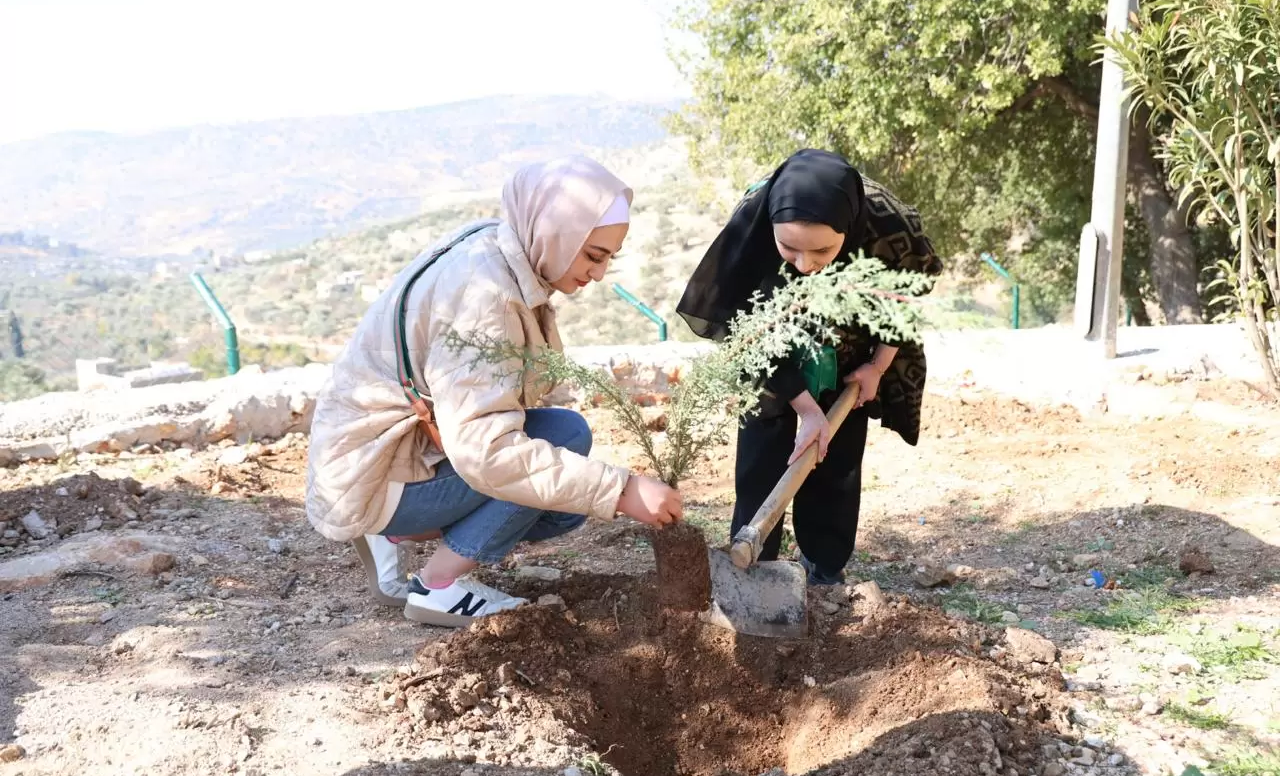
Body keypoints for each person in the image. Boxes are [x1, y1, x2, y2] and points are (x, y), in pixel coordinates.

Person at [306, 154, 684, 626]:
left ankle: (393, 531)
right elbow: (487, 453)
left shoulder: (500, 247)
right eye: (593, 255)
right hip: (374, 471)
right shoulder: (486, 297)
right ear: (553, 232)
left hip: (375, 460)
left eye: (609, 257)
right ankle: (437, 587)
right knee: (562, 444)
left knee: (563, 496)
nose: (600, 273)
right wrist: (621, 489)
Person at [676, 148, 942, 585]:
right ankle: (755, 566)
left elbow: (903, 296)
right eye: (789, 248)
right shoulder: (753, 222)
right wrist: (803, 406)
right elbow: (742, 325)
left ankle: (824, 565)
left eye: (821, 250)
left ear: (848, 228)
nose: (804, 265)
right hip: (769, 342)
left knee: (837, 454)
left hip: (851, 341)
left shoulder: (888, 224)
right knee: (763, 450)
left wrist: (877, 366)